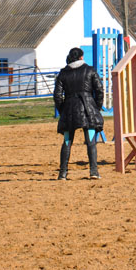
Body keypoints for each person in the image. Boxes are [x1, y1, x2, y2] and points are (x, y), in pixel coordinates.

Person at [53, 47, 104, 180]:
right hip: (88, 108)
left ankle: (62, 173)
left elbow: (57, 95)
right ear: (81, 57)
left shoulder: (63, 73)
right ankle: (94, 171)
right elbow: (99, 90)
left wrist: (62, 110)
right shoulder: (90, 70)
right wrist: (96, 108)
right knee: (91, 141)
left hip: (69, 108)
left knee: (67, 141)